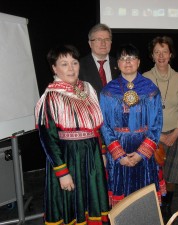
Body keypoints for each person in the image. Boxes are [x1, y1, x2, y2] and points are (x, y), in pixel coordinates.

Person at [35, 45, 109, 225]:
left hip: (92, 157)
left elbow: (97, 126)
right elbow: (48, 139)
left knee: (92, 202)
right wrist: (62, 173)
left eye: (74, 62)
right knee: (71, 205)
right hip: (69, 158)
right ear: (54, 68)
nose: (71, 68)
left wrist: (103, 152)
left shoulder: (88, 89)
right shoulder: (51, 97)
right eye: (64, 64)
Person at [99, 43, 165, 207]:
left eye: (132, 58)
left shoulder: (150, 88)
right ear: (117, 63)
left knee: (145, 198)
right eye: (123, 58)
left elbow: (156, 123)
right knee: (123, 202)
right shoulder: (108, 91)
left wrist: (142, 153)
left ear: (139, 62)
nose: (128, 62)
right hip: (119, 148)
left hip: (144, 148)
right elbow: (104, 125)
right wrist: (119, 155)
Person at [143, 36, 178, 221]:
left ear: (171, 54)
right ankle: (155, 206)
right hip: (152, 136)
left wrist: (177, 131)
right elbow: (141, 111)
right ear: (152, 56)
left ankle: (167, 206)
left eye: (165, 52)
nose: (161, 56)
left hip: (174, 135)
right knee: (153, 174)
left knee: (171, 176)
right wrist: (157, 134)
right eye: (157, 52)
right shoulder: (144, 78)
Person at [79, 23, 119, 97]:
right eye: (99, 39)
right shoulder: (79, 66)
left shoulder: (119, 64)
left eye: (107, 39)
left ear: (111, 42)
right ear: (90, 43)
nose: (103, 43)